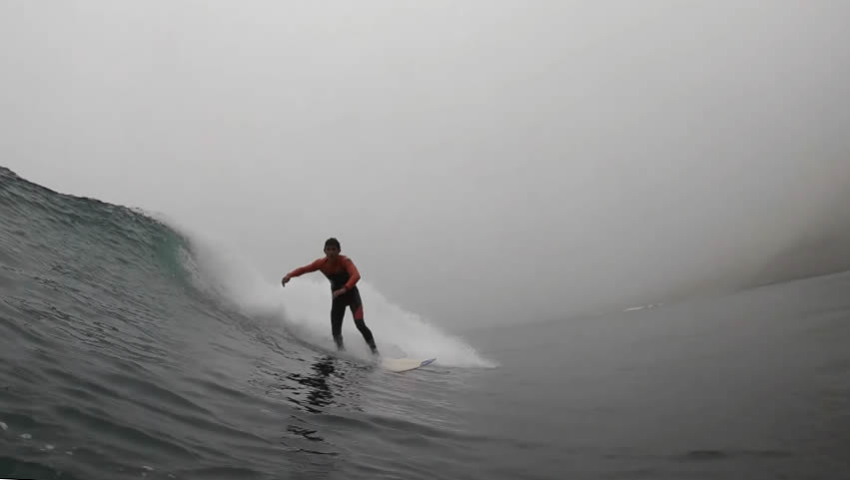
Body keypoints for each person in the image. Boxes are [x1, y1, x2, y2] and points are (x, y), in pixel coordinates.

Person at [281, 238, 378, 355]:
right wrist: (289, 275)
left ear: (339, 251)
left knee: (360, 324)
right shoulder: (321, 264)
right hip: (338, 299)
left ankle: (375, 353)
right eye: (328, 249)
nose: (331, 252)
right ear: (324, 251)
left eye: (334, 249)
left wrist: (344, 289)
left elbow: (356, 275)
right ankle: (342, 352)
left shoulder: (345, 261)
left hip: (352, 296)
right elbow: (304, 269)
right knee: (336, 332)